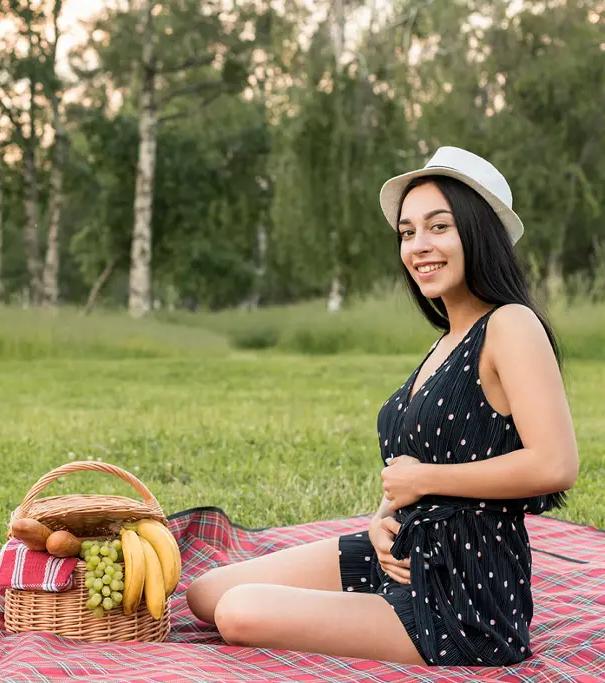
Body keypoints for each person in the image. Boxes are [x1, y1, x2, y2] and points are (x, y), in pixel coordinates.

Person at [185, 146, 580, 667]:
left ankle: (368, 619)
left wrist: (425, 482)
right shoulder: (447, 341)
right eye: (408, 232)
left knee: (238, 612)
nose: (419, 246)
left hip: (463, 593)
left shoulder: (510, 324)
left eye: (439, 227)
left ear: (479, 233)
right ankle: (363, 613)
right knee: (205, 594)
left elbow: (555, 464)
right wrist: (382, 517)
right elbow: (417, 465)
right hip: (400, 551)